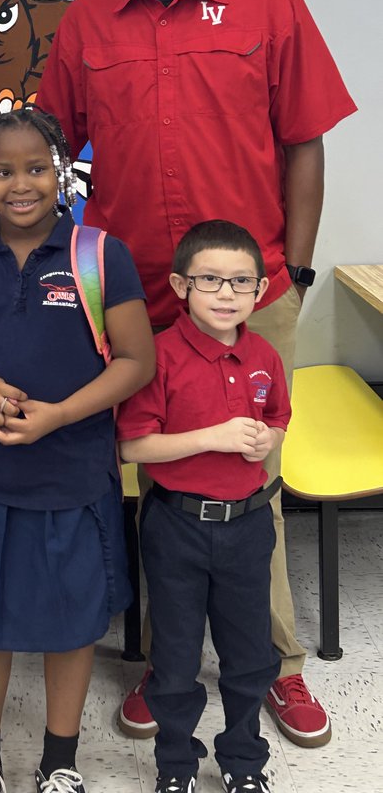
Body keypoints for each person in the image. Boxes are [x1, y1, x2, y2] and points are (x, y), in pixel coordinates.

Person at [36, 0, 356, 748]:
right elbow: (53, 155)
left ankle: (277, 667)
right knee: (148, 475)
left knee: (253, 476)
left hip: (245, 291)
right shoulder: (90, 22)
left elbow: (305, 140)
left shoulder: (267, 3)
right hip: (133, 296)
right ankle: (165, 668)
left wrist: (288, 270)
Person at [0, 108, 156, 793]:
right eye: (3, 171)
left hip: (73, 476)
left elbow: (136, 362)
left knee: (70, 625)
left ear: (59, 172)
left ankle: (60, 762)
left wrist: (58, 416)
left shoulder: (98, 254)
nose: (19, 184)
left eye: (34, 168)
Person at [117, 220, 290, 793]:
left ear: (260, 291)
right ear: (181, 284)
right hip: (176, 526)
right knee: (174, 656)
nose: (226, 293)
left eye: (241, 282)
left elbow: (277, 420)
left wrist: (269, 440)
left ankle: (244, 760)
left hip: (247, 526)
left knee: (250, 656)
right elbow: (133, 445)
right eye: (210, 279)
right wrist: (211, 437)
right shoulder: (160, 355)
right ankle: (176, 765)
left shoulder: (265, 354)